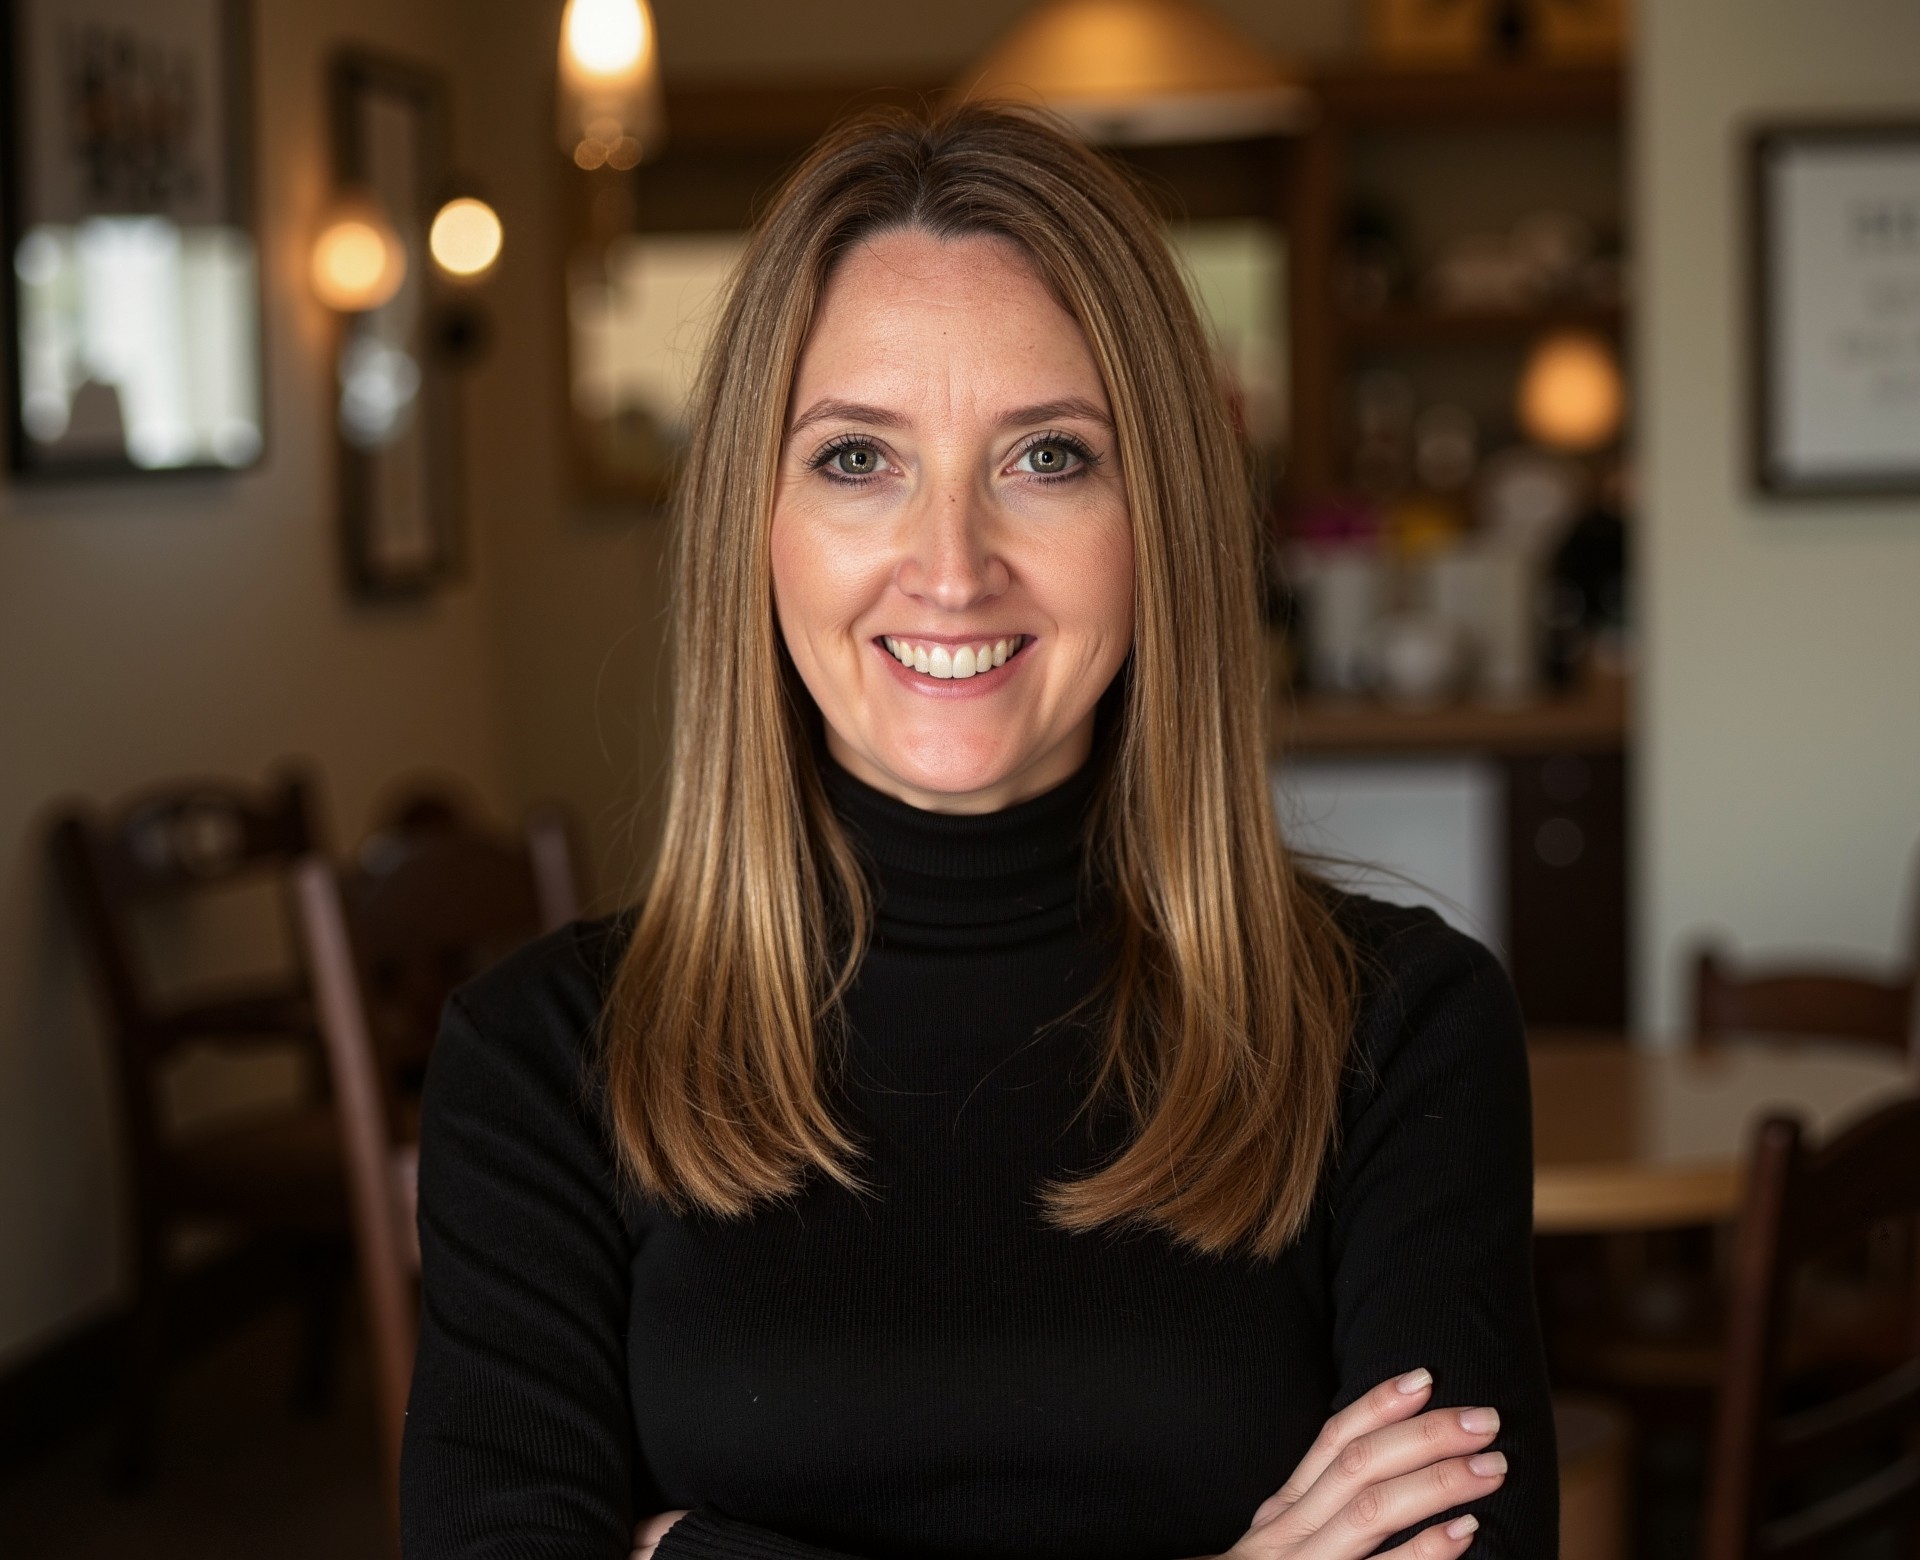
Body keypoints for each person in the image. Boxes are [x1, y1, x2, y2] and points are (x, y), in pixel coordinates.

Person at [401, 105, 1556, 1560]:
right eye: (857, 460)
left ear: (1161, 517)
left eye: (1048, 458)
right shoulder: (539, 1062)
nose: (951, 568)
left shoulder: (1400, 1031)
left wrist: (689, 1552)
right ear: (753, 525)